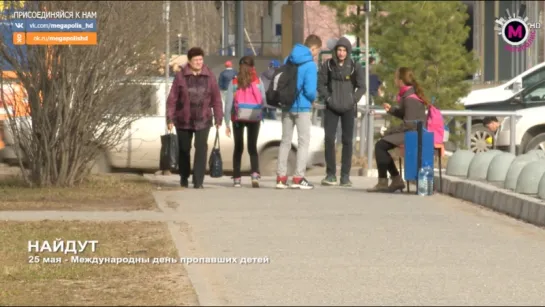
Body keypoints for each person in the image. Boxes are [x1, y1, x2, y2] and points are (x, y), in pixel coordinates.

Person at [166, 47, 223, 189]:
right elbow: (172, 99)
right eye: (196, 60)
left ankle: (198, 181)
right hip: (183, 119)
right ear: (189, 61)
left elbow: (216, 98)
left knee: (201, 148)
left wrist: (218, 118)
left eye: (201, 59)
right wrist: (169, 118)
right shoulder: (181, 76)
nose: (199, 62)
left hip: (203, 119)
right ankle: (184, 177)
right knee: (184, 149)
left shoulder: (210, 76)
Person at [367, 67, 428, 193]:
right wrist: (391, 110)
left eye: (396, 78)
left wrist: (389, 131)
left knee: (380, 146)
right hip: (412, 130)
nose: (394, 80)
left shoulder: (410, 98)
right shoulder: (408, 95)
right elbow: (406, 116)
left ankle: (387, 181)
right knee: (381, 146)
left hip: (414, 133)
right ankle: (394, 179)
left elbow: (409, 124)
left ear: (401, 81)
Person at [276, 34, 322, 190]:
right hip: (302, 107)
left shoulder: (288, 59)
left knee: (285, 141)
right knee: (303, 142)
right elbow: (309, 90)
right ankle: (298, 178)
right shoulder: (310, 65)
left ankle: (281, 178)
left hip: (287, 105)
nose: (316, 54)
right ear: (313, 48)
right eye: (317, 51)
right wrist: (313, 98)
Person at [318, 36, 365, 187]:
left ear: (348, 51)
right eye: (339, 50)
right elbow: (320, 84)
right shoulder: (328, 65)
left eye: (344, 50)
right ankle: (331, 174)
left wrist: (353, 99)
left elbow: (362, 86)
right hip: (332, 107)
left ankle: (345, 176)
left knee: (347, 141)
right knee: (329, 139)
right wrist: (328, 98)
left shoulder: (354, 66)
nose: (341, 53)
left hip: (348, 108)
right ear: (335, 50)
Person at [224, 56, 266, 188]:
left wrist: (226, 122)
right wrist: (261, 113)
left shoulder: (234, 82)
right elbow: (263, 100)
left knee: (238, 148)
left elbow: (228, 104)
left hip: (238, 117)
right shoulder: (258, 81)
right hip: (254, 116)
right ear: (253, 67)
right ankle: (254, 175)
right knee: (252, 147)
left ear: (239, 67)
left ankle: (237, 178)